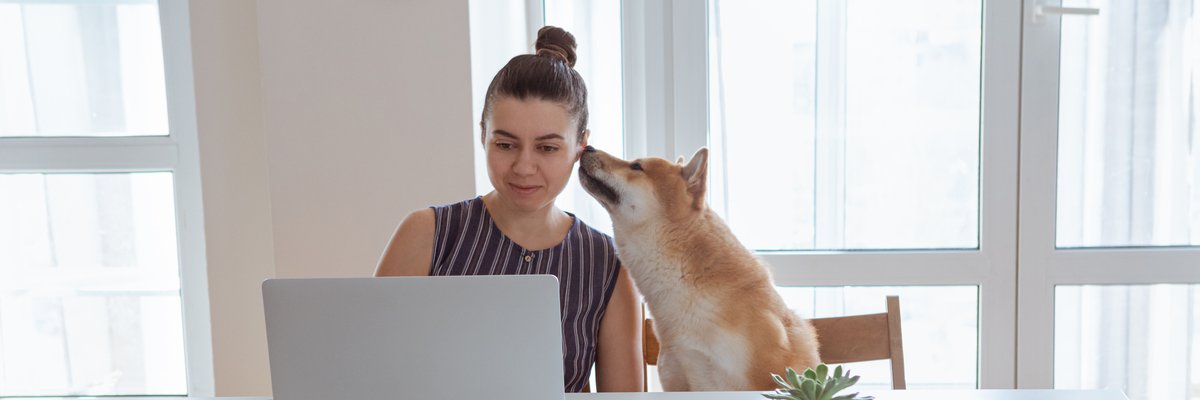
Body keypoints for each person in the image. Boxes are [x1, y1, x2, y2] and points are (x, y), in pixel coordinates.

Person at [374, 26, 643, 393]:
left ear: (580, 145)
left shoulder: (608, 264)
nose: (524, 167)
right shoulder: (426, 234)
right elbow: (368, 374)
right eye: (505, 144)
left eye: (547, 148)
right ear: (483, 134)